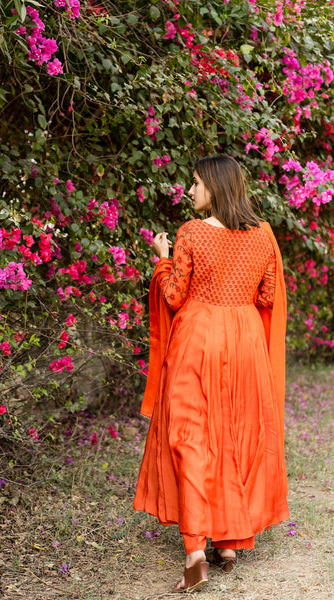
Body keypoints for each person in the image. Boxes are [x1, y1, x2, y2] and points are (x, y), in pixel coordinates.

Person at [133, 154, 289, 592]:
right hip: (245, 343)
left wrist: (162, 259)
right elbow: (268, 294)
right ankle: (229, 543)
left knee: (189, 437)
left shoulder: (189, 233)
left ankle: (196, 550)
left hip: (197, 338)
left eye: (196, 183)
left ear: (216, 187)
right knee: (237, 435)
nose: (190, 190)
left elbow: (175, 294)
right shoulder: (263, 237)